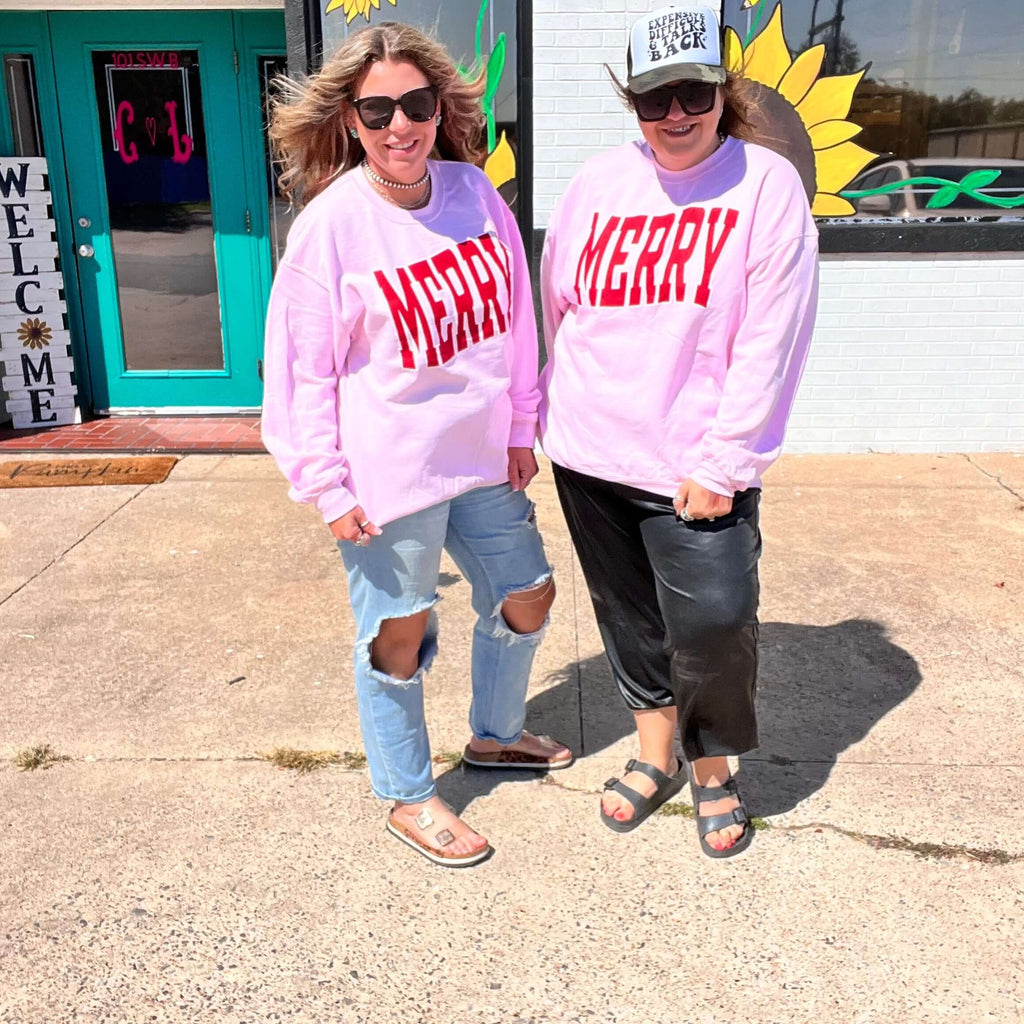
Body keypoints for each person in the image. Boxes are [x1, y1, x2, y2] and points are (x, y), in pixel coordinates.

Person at [262, 21, 571, 869]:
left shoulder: (475, 193)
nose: (401, 125)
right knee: (399, 634)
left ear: (442, 108)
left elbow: (514, 320)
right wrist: (326, 486)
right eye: (377, 110)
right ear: (350, 121)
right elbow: (299, 373)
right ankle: (406, 792)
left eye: (417, 104)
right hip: (387, 473)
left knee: (528, 594)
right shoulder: (331, 228)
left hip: (480, 460)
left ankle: (496, 736)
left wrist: (517, 425)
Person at [538, 3, 818, 858]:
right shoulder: (597, 183)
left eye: (693, 93)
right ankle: (655, 755)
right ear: (633, 102)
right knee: (628, 617)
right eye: (655, 99)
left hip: (697, 463)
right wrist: (548, 416)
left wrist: (728, 460)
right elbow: (558, 304)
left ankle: (714, 772)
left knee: (714, 625)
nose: (675, 115)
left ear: (721, 92)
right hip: (589, 451)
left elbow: (775, 336)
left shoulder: (763, 185)